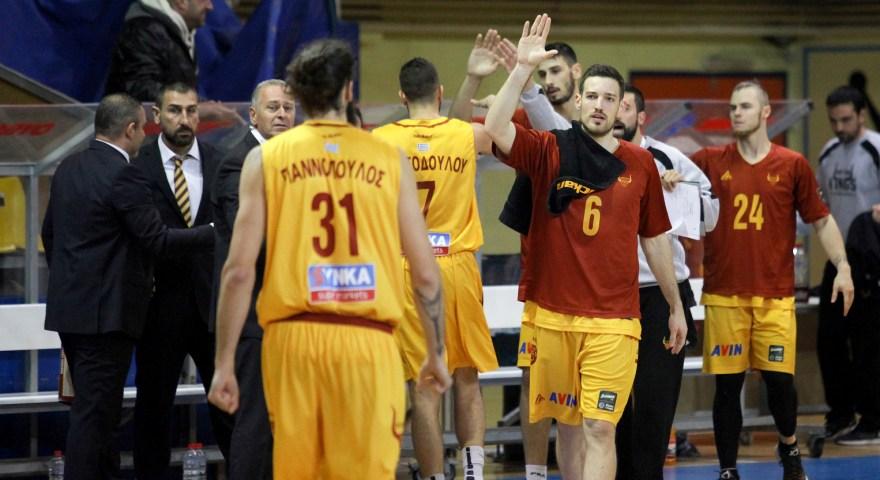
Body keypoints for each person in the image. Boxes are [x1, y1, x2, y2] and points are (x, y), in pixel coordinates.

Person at [207, 39, 452, 479]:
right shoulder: (388, 158)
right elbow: (425, 274)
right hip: (368, 339)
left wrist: (224, 363)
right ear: (348, 90)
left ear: (299, 97)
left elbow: (238, 272)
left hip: (294, 339)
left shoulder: (264, 159)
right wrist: (435, 352)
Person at [484, 15, 687, 480]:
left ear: (621, 109)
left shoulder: (641, 164)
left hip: (614, 322)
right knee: (569, 425)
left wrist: (675, 306)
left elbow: (655, 238)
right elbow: (495, 127)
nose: (599, 105)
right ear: (578, 100)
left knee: (600, 426)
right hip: (553, 316)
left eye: (609, 99)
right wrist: (521, 70)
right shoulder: (549, 148)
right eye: (592, 96)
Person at [42, 93, 214, 480]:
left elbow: (49, 234)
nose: (145, 136)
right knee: (93, 416)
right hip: (108, 316)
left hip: (70, 312)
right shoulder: (125, 174)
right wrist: (214, 232)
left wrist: (73, 283)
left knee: (98, 412)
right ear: (131, 129)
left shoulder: (68, 167)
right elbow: (158, 240)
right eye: (143, 128)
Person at [691, 80, 855, 480]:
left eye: (744, 106)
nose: (736, 113)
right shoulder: (709, 160)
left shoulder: (792, 164)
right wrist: (671, 177)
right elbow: (663, 168)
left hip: (774, 297)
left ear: (766, 112)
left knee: (780, 385)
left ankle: (789, 447)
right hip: (725, 296)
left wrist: (843, 266)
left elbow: (821, 220)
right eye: (733, 107)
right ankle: (728, 470)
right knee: (727, 388)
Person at [373, 57, 499, 480]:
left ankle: (432, 477)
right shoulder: (466, 134)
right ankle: (473, 473)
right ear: (440, 92)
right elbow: (485, 128)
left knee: (423, 387)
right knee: (466, 376)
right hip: (457, 266)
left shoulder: (380, 141)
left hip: (407, 266)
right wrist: (479, 78)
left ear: (402, 96)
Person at [611, 84, 719, 480]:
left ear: (641, 117)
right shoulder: (594, 157)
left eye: (623, 106)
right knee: (611, 402)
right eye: (610, 103)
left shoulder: (667, 158)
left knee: (655, 399)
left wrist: (681, 190)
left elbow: (711, 217)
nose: (615, 113)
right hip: (610, 294)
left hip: (662, 293)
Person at [131, 82, 233, 479]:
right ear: (157, 115)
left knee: (227, 408)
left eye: (192, 111)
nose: (185, 119)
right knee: (153, 412)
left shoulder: (220, 161)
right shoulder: (137, 166)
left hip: (211, 306)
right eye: (175, 111)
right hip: (158, 307)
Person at [211, 78, 295, 479]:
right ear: (253, 114)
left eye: (288, 108)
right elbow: (247, 242)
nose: (282, 115)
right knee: (255, 427)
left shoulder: (295, 161)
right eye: (273, 107)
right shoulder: (237, 162)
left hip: (289, 316)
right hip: (252, 320)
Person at [815, 85, 880, 445]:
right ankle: (840, 413)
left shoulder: (875, 148)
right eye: (833, 121)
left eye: (845, 120)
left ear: (861, 115)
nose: (839, 127)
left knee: (868, 343)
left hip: (871, 259)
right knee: (830, 340)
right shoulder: (829, 152)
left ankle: (872, 419)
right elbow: (820, 206)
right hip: (839, 259)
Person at [106, 0, 214, 102]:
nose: (210, 7)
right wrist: (195, 106)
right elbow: (140, 90)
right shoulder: (145, 31)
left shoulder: (175, 34)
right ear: (181, 1)